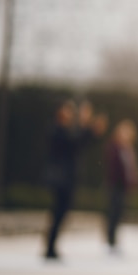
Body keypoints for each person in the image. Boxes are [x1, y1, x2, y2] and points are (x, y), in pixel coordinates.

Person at [43, 99, 108, 260]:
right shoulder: (57, 131)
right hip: (61, 179)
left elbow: (80, 143)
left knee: (62, 212)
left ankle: (52, 245)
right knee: (59, 211)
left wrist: (91, 130)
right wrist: (87, 126)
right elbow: (74, 142)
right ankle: (50, 246)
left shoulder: (66, 131)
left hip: (67, 179)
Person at [104, 118, 138, 253]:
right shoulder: (114, 147)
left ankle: (114, 240)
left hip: (123, 186)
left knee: (119, 213)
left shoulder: (128, 149)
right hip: (115, 185)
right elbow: (114, 168)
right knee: (113, 212)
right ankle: (110, 240)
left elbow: (131, 169)